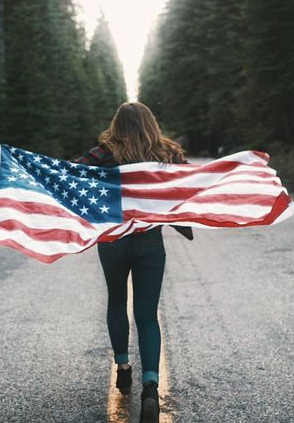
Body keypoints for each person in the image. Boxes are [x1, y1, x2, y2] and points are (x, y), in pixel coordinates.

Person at [72, 101, 192, 423]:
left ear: (117, 125)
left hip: (113, 240)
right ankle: (150, 388)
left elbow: (73, 174)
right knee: (147, 314)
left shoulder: (103, 153)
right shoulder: (166, 153)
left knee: (116, 301)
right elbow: (190, 184)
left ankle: (123, 367)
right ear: (151, 124)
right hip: (150, 242)